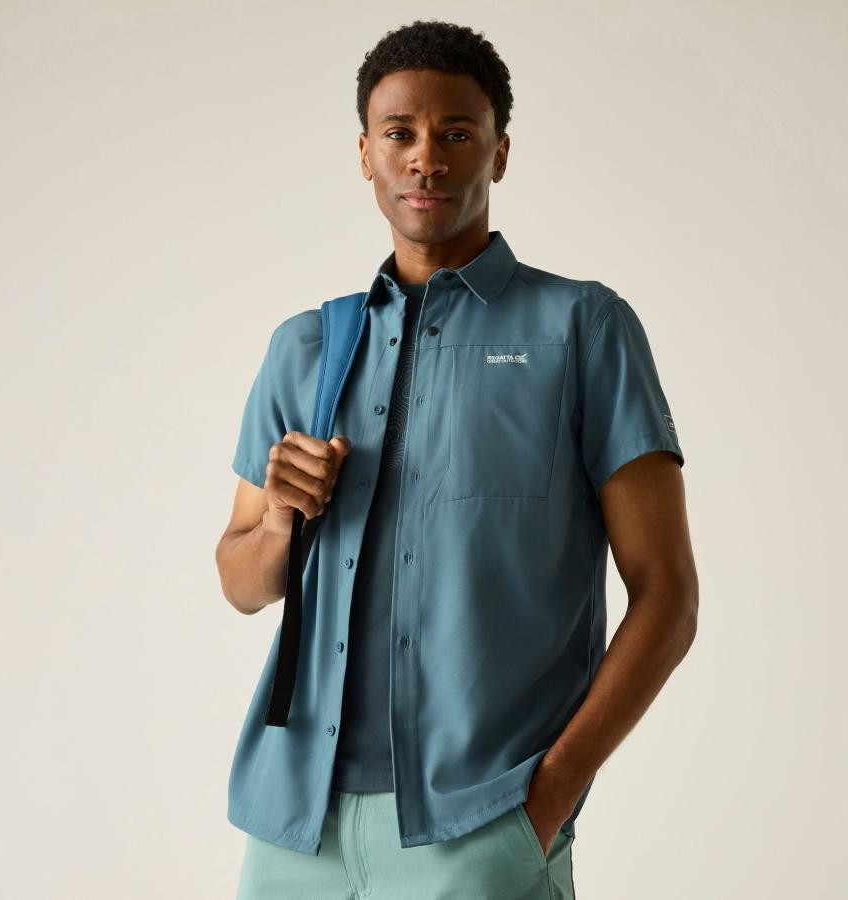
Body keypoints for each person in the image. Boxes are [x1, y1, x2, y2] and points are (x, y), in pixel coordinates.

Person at [216, 18, 698, 900]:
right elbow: (240, 581)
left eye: (457, 134)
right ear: (365, 153)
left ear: (499, 153)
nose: (426, 160)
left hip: (481, 823)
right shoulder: (306, 347)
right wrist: (281, 520)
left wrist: (545, 802)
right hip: (292, 828)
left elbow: (668, 596)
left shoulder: (582, 329)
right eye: (399, 133)